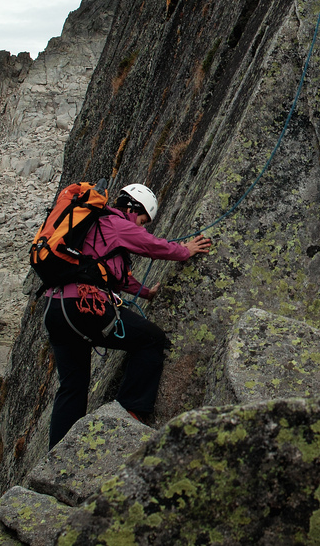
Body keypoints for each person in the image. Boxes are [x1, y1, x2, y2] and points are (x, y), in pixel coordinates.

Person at [42, 183, 211, 449]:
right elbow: (151, 245)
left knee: (73, 387)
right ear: (133, 208)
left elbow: (113, 275)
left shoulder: (92, 226)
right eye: (143, 219)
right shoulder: (117, 223)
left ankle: (57, 455)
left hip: (56, 310)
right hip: (84, 307)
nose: (142, 226)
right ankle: (126, 415)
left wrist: (145, 293)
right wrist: (185, 251)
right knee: (151, 339)